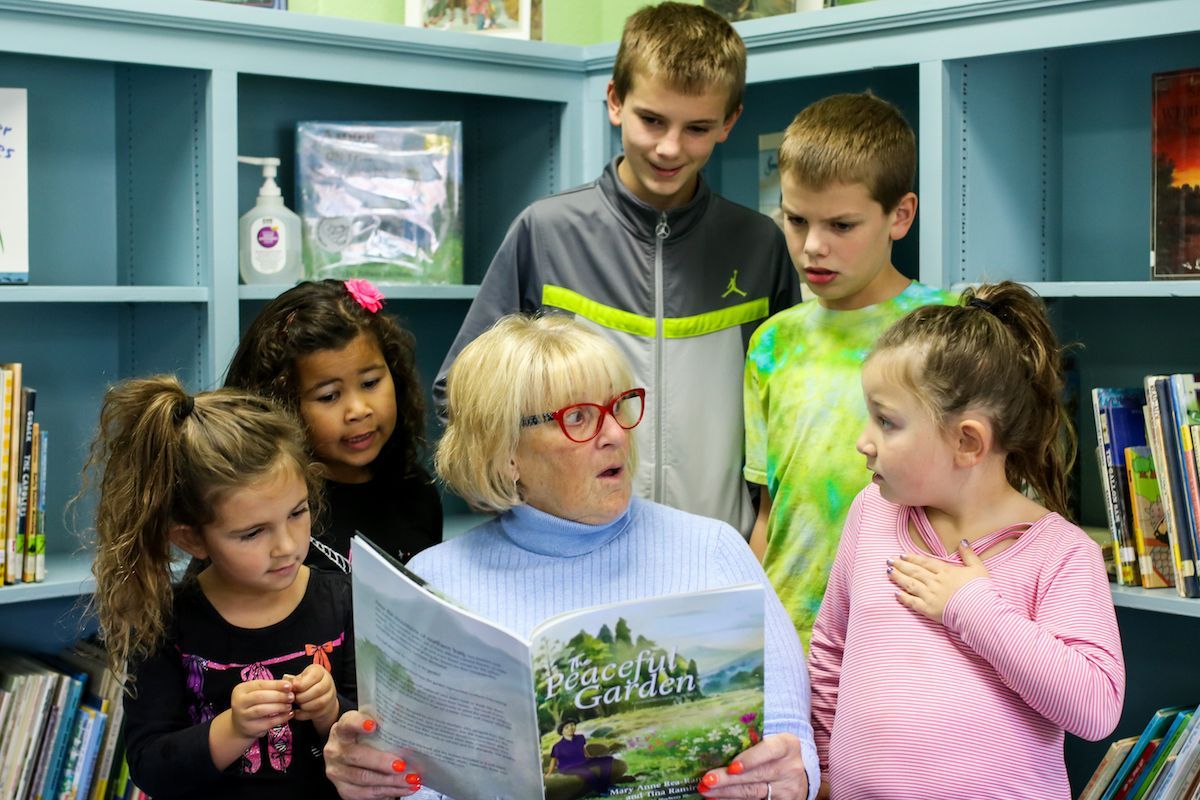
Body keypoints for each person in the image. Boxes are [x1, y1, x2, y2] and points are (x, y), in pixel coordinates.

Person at [325, 314, 818, 800]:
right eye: (578, 417)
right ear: (505, 451)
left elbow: (794, 748)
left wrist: (782, 781)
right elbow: (418, 781)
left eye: (618, 406)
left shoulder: (714, 551)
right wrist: (378, 778)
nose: (616, 435)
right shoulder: (434, 583)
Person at [433, 1, 799, 537]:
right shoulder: (547, 232)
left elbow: (784, 409)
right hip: (572, 550)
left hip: (718, 554)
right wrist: (517, 499)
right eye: (651, 120)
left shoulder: (760, 244)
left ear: (729, 122)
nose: (670, 147)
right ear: (614, 101)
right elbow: (461, 391)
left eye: (697, 127)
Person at [808, 282, 1125, 800]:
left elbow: (1095, 707)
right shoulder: (870, 514)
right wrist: (823, 769)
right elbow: (830, 651)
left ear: (967, 441)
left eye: (886, 421)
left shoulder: (1063, 554)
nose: (863, 441)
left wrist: (969, 606)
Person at [743, 92, 957, 646]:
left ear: (899, 216)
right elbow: (771, 512)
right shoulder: (772, 343)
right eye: (796, 220)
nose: (813, 247)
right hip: (786, 635)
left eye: (841, 225)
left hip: (906, 635)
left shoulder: (948, 329)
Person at [84, 376, 356, 800]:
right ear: (192, 539)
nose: (286, 546)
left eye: (298, 512)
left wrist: (331, 711)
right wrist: (231, 728)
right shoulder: (165, 626)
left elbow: (384, 734)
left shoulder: (345, 601)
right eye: (252, 533)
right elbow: (150, 765)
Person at [225, 278, 442, 571]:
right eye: (329, 396)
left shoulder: (417, 493)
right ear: (282, 405)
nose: (358, 410)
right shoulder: (268, 509)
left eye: (370, 383)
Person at [544, 717, 622, 793]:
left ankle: (606, 785)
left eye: (572, 725)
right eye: (566, 727)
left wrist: (589, 757)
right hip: (568, 767)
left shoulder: (580, 737)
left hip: (583, 762)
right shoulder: (558, 746)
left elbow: (582, 748)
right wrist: (549, 774)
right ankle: (601, 791)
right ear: (562, 732)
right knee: (589, 773)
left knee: (607, 759)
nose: (570, 728)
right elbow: (553, 760)